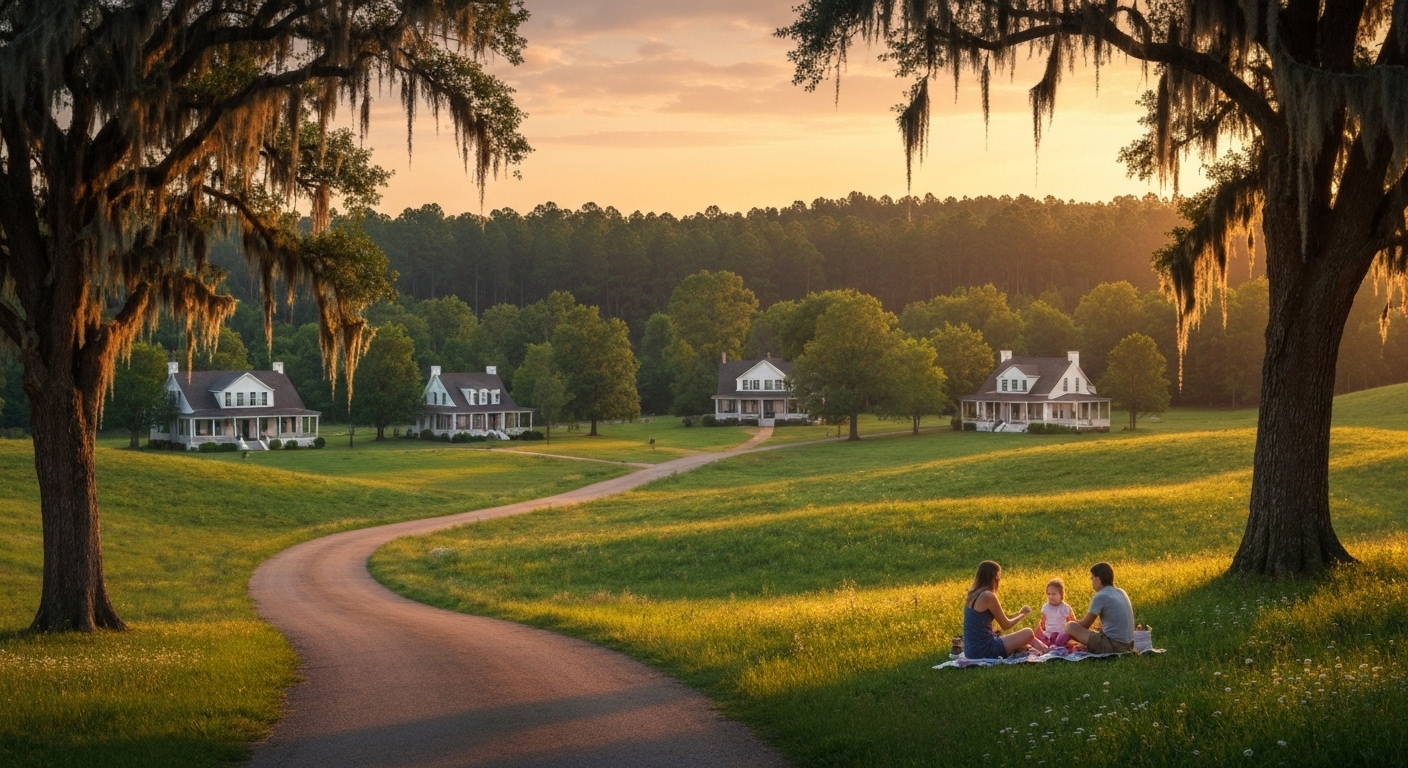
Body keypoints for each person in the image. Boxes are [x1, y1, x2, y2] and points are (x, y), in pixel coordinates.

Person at [962, 560, 1049, 659]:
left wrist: (1018, 613)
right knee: (1028, 633)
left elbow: (1002, 616)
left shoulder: (973, 594)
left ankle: (1044, 649)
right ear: (994, 577)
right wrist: (1022, 615)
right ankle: (1046, 651)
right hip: (983, 650)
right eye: (999, 576)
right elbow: (1006, 625)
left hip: (970, 650)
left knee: (1028, 638)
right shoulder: (988, 596)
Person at [1065, 562, 1135, 654]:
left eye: (1092, 578)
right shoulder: (1121, 592)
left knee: (1070, 626)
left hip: (1114, 646)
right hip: (1129, 644)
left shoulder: (1101, 596)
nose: (1092, 583)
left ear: (1098, 579)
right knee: (1098, 626)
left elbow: (1085, 624)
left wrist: (1070, 620)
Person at [1036, 578, 1074, 650]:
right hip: (1049, 634)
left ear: (1061, 594)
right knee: (1039, 635)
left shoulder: (1065, 608)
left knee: (1063, 636)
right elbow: (1042, 623)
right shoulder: (1045, 607)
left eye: (1054, 594)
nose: (1050, 596)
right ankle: (1050, 646)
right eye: (1049, 594)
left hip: (1061, 633)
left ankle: (1057, 645)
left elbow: (1072, 622)